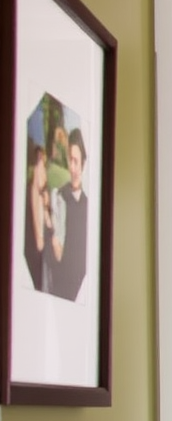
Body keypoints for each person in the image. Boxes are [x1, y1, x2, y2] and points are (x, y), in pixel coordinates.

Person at [51, 126, 88, 301]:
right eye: (70, 160)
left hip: (80, 293)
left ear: (83, 163)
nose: (72, 168)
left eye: (76, 161)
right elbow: (57, 249)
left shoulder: (88, 204)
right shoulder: (60, 196)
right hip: (60, 288)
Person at [24, 144, 56, 292]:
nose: (42, 171)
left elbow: (50, 228)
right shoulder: (27, 197)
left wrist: (45, 206)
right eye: (39, 165)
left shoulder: (46, 197)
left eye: (43, 165)